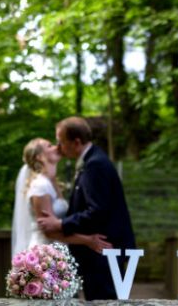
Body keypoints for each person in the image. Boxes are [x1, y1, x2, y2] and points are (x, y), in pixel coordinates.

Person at [37, 116, 136, 300]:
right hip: (100, 251)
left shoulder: (94, 165)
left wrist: (60, 224)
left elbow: (97, 210)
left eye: (61, 141)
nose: (59, 147)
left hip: (104, 250)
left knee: (104, 301)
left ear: (76, 142)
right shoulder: (92, 160)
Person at [11, 137, 112, 257]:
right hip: (45, 254)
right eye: (49, 146)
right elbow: (49, 232)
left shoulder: (52, 183)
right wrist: (88, 240)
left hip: (59, 250)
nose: (56, 147)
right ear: (39, 157)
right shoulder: (39, 186)